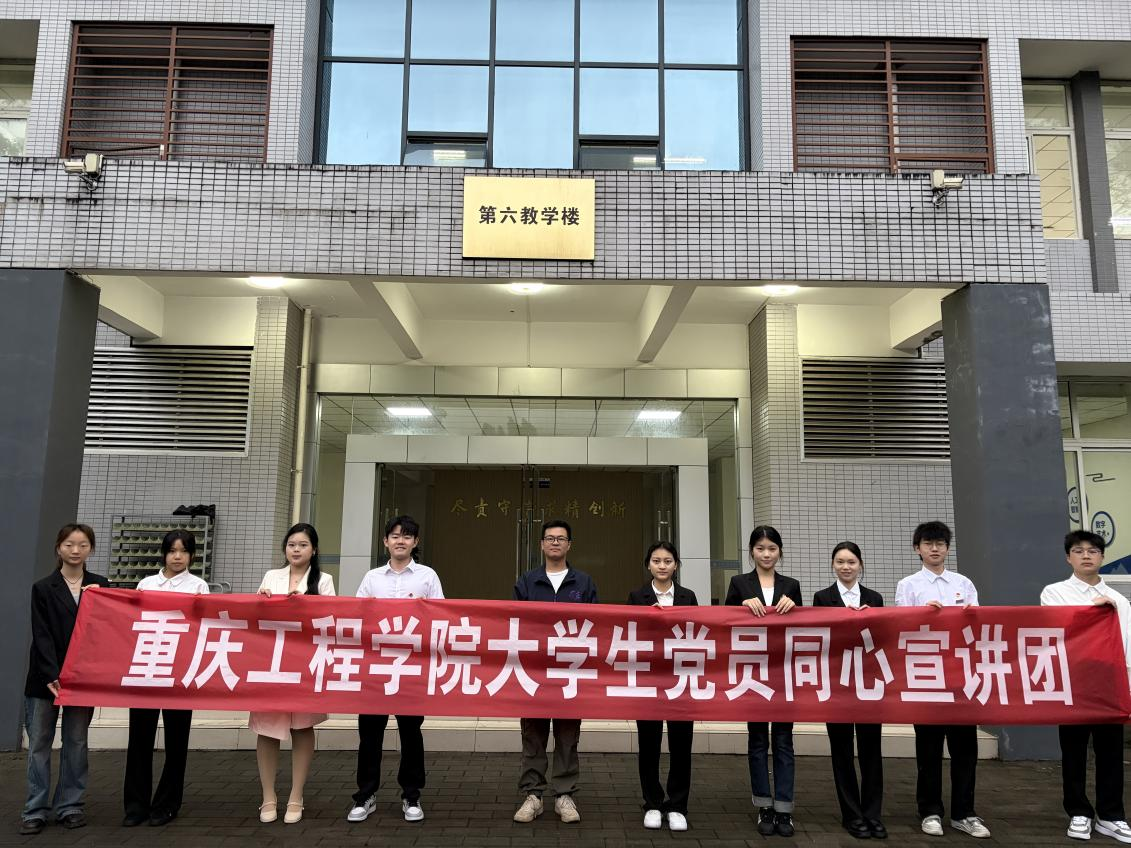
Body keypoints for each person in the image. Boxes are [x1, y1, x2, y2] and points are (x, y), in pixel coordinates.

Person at [894, 520, 989, 839]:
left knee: (965, 749)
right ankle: (930, 811)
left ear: (948, 548)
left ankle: (965, 812)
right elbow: (899, 627)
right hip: (927, 676)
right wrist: (922, 613)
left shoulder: (964, 583)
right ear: (917, 549)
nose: (934, 549)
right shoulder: (908, 585)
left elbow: (978, 627)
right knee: (929, 749)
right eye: (928, 543)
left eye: (940, 543)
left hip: (961, 677)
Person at [348, 515, 443, 825]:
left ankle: (411, 795)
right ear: (385, 541)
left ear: (415, 542)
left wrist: (426, 609)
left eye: (407, 536)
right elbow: (356, 617)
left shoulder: (427, 576)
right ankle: (365, 795)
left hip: (412, 667)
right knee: (369, 734)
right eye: (395, 536)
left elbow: (442, 618)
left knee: (410, 733)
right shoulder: (372, 577)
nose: (400, 540)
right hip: (375, 667)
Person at [1041, 530, 1131, 843]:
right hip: (1074, 683)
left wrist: (1127, 687)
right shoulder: (1054, 593)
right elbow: (1058, 631)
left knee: (1111, 752)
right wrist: (1094, 611)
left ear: (1102, 557)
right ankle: (1078, 811)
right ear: (1069, 558)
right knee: (1074, 751)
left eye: (1093, 551)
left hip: (1110, 684)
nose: (1086, 556)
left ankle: (1111, 815)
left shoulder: (1120, 600)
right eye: (1078, 551)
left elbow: (1126, 647)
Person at [21, 523, 109, 835]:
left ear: (91, 549)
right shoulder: (44, 587)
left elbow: (108, 629)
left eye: (83, 545)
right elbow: (41, 634)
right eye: (69, 544)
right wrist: (52, 673)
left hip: (83, 678)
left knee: (77, 742)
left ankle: (70, 806)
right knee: (39, 744)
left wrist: (101, 600)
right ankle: (35, 809)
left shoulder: (101, 586)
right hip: (45, 678)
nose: (75, 550)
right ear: (58, 547)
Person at [512, 519, 598, 825]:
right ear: (541, 544)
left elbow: (596, 625)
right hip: (534, 671)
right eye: (550, 538)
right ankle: (533, 795)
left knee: (567, 735)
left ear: (569, 545)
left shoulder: (583, 582)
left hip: (570, 671)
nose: (555, 543)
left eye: (561, 538)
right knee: (532, 734)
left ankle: (564, 794)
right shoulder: (527, 581)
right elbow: (515, 623)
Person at [123, 529, 210, 828]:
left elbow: (202, 627)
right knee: (139, 739)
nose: (177, 556)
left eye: (183, 551)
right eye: (172, 550)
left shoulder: (198, 586)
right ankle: (135, 806)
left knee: (176, 741)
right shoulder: (146, 584)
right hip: (147, 668)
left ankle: (167, 804)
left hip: (180, 671)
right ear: (164, 553)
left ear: (192, 556)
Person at [251, 523, 334, 825]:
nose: (296, 550)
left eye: (303, 545)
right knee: (267, 729)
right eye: (291, 544)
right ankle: (268, 797)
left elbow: (330, 621)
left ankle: (296, 796)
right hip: (271, 663)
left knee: (302, 726)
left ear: (314, 550)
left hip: (304, 663)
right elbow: (255, 621)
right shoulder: (271, 577)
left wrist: (305, 605)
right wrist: (260, 600)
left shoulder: (323, 580)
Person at [725, 525, 802, 838]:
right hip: (752, 673)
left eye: (772, 548)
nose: (766, 554)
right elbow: (724, 623)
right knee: (757, 741)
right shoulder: (739, 583)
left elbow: (805, 628)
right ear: (751, 551)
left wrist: (796, 608)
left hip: (782, 672)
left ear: (779, 551)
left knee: (783, 741)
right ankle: (764, 806)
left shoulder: (791, 585)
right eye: (760, 548)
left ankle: (784, 809)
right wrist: (741, 605)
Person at [813, 541, 887, 840]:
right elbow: (820, 639)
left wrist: (870, 619)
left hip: (869, 684)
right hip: (837, 684)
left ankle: (873, 814)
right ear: (833, 565)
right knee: (841, 751)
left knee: (871, 752)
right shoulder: (822, 598)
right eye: (840, 562)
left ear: (860, 565)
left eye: (851, 562)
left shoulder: (875, 598)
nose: (846, 567)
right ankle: (852, 815)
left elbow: (883, 639)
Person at [627, 541, 697, 833]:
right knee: (649, 743)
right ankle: (653, 803)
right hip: (649, 679)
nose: (662, 565)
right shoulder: (637, 596)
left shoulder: (688, 596)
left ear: (676, 565)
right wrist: (649, 618)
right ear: (648, 564)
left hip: (681, 679)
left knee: (681, 744)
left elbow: (696, 633)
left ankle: (678, 805)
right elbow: (628, 634)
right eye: (656, 560)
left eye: (668, 561)